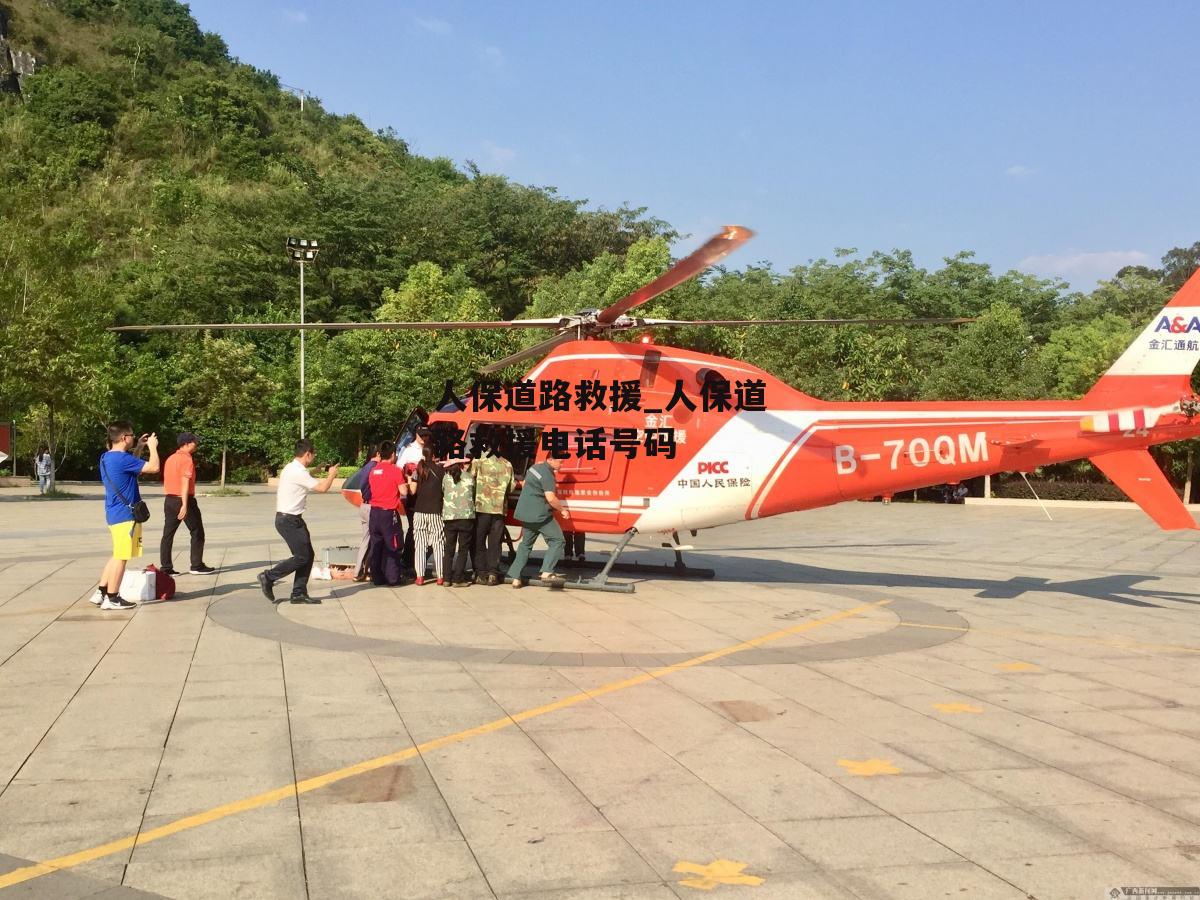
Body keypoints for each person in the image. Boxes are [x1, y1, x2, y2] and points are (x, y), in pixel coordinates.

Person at [258, 439, 339, 605]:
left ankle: (298, 593)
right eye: (313, 455)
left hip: (291, 519)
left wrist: (317, 470)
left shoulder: (292, 467)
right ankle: (268, 576)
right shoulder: (298, 472)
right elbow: (323, 488)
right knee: (302, 556)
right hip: (288, 520)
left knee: (308, 556)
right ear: (307, 454)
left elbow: (305, 477)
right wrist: (331, 475)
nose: (314, 457)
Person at [94, 422, 160, 611]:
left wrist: (139, 447)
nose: (133, 438)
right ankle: (113, 597)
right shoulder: (122, 459)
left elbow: (132, 467)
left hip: (114, 512)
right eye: (132, 436)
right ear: (124, 438)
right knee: (121, 557)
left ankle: (101, 592)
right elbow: (153, 467)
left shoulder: (106, 457)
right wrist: (153, 448)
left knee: (117, 553)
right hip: (125, 515)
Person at [507, 455, 568, 588]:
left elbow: (524, 484)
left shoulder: (534, 467)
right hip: (540, 515)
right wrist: (562, 510)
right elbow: (551, 498)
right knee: (558, 540)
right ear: (550, 459)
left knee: (525, 545)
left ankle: (515, 578)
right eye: (560, 461)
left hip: (525, 513)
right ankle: (547, 571)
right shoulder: (548, 475)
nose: (561, 464)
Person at [159, 432, 215, 576]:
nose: (197, 444)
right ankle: (197, 566)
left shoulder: (170, 458)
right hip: (184, 500)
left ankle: (166, 568)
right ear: (187, 443)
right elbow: (185, 482)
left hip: (169, 500)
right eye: (195, 442)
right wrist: (184, 504)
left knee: (168, 534)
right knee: (197, 532)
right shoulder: (187, 459)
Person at [471, 427, 514, 586]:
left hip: (481, 509)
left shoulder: (478, 461)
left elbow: (470, 482)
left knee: (479, 541)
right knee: (495, 543)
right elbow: (511, 487)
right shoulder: (507, 464)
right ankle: (493, 574)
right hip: (499, 510)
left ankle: (480, 573)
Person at [366, 441, 409, 587]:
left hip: (374, 512)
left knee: (376, 544)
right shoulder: (395, 470)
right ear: (393, 455)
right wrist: (407, 482)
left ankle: (376, 576)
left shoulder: (374, 470)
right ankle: (393, 578)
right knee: (393, 545)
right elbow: (403, 491)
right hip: (388, 513)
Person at [408, 445, 446, 586]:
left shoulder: (418, 470)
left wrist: (409, 479)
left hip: (419, 511)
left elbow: (412, 491)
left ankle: (420, 577)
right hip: (435, 511)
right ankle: (440, 577)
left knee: (420, 545)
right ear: (434, 454)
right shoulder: (441, 471)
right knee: (438, 543)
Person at [399, 425, 431, 574]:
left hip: (426, 493)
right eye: (422, 435)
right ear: (416, 435)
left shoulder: (430, 448)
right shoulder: (408, 450)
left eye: (426, 435)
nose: (424, 438)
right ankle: (407, 560)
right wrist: (409, 477)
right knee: (414, 527)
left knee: (426, 529)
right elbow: (399, 469)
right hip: (412, 495)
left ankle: (417, 558)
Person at [441, 457, 475, 587]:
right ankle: (458, 579)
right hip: (466, 517)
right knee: (462, 549)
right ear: (461, 465)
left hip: (449, 517)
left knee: (449, 549)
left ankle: (446, 578)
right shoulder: (470, 477)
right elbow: (473, 493)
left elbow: (443, 492)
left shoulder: (446, 478)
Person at [351, 445, 381, 581]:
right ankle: (370, 570)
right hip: (371, 507)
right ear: (379, 454)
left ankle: (358, 572)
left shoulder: (366, 467)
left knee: (365, 540)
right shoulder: (375, 468)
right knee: (375, 540)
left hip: (364, 506)